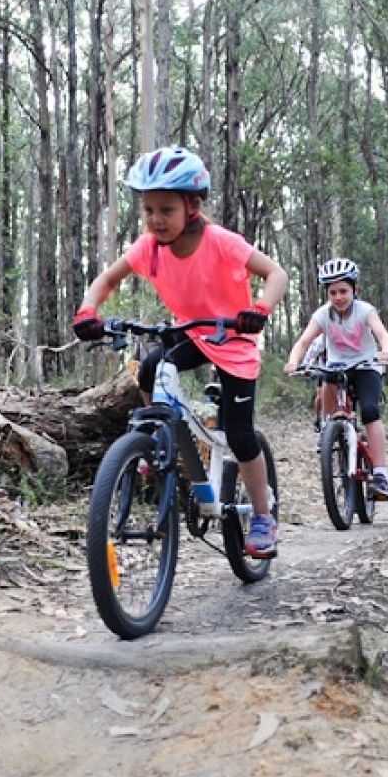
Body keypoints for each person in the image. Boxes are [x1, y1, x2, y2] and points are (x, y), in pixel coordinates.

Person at [72, 146, 290, 557]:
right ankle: (158, 441)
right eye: (148, 209)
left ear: (192, 207)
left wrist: (259, 309)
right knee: (151, 368)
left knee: (240, 435)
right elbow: (106, 279)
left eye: (165, 210)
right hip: (191, 333)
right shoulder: (148, 248)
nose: (155, 219)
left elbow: (276, 273)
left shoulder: (221, 242)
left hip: (234, 339)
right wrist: (88, 310)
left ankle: (263, 516)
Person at [282, 258, 388, 500]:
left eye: (344, 291)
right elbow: (303, 342)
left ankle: (380, 474)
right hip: (335, 367)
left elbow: (382, 334)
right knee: (332, 414)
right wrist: (294, 362)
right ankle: (335, 441)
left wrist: (386, 351)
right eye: (333, 292)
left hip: (366, 366)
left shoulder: (365, 310)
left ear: (355, 290)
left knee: (370, 411)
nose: (339, 297)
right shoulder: (322, 315)